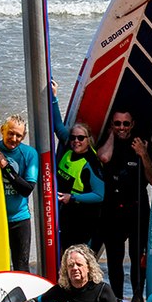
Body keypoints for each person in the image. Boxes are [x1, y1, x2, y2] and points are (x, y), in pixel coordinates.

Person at [97, 108, 152, 302]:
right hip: (112, 210)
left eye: (125, 124)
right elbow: (103, 157)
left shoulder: (141, 143)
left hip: (137, 209)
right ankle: (117, 299)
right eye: (117, 123)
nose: (122, 127)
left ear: (132, 125)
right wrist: (112, 134)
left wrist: (143, 153)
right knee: (114, 260)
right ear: (112, 124)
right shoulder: (107, 141)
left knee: (138, 258)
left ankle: (138, 296)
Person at [52, 86, 104, 250]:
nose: (76, 141)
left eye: (81, 138)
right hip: (65, 216)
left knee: (78, 261)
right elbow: (57, 125)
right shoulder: (69, 145)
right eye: (74, 137)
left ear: (88, 139)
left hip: (84, 221)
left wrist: (72, 197)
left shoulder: (91, 163)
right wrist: (54, 97)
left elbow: (99, 195)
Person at [0, 114, 37, 272]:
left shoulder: (29, 154)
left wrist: (4, 164)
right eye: (10, 133)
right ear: (2, 130)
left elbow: (26, 189)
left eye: (19, 135)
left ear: (24, 136)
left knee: (21, 268)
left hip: (19, 220)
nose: (14, 138)